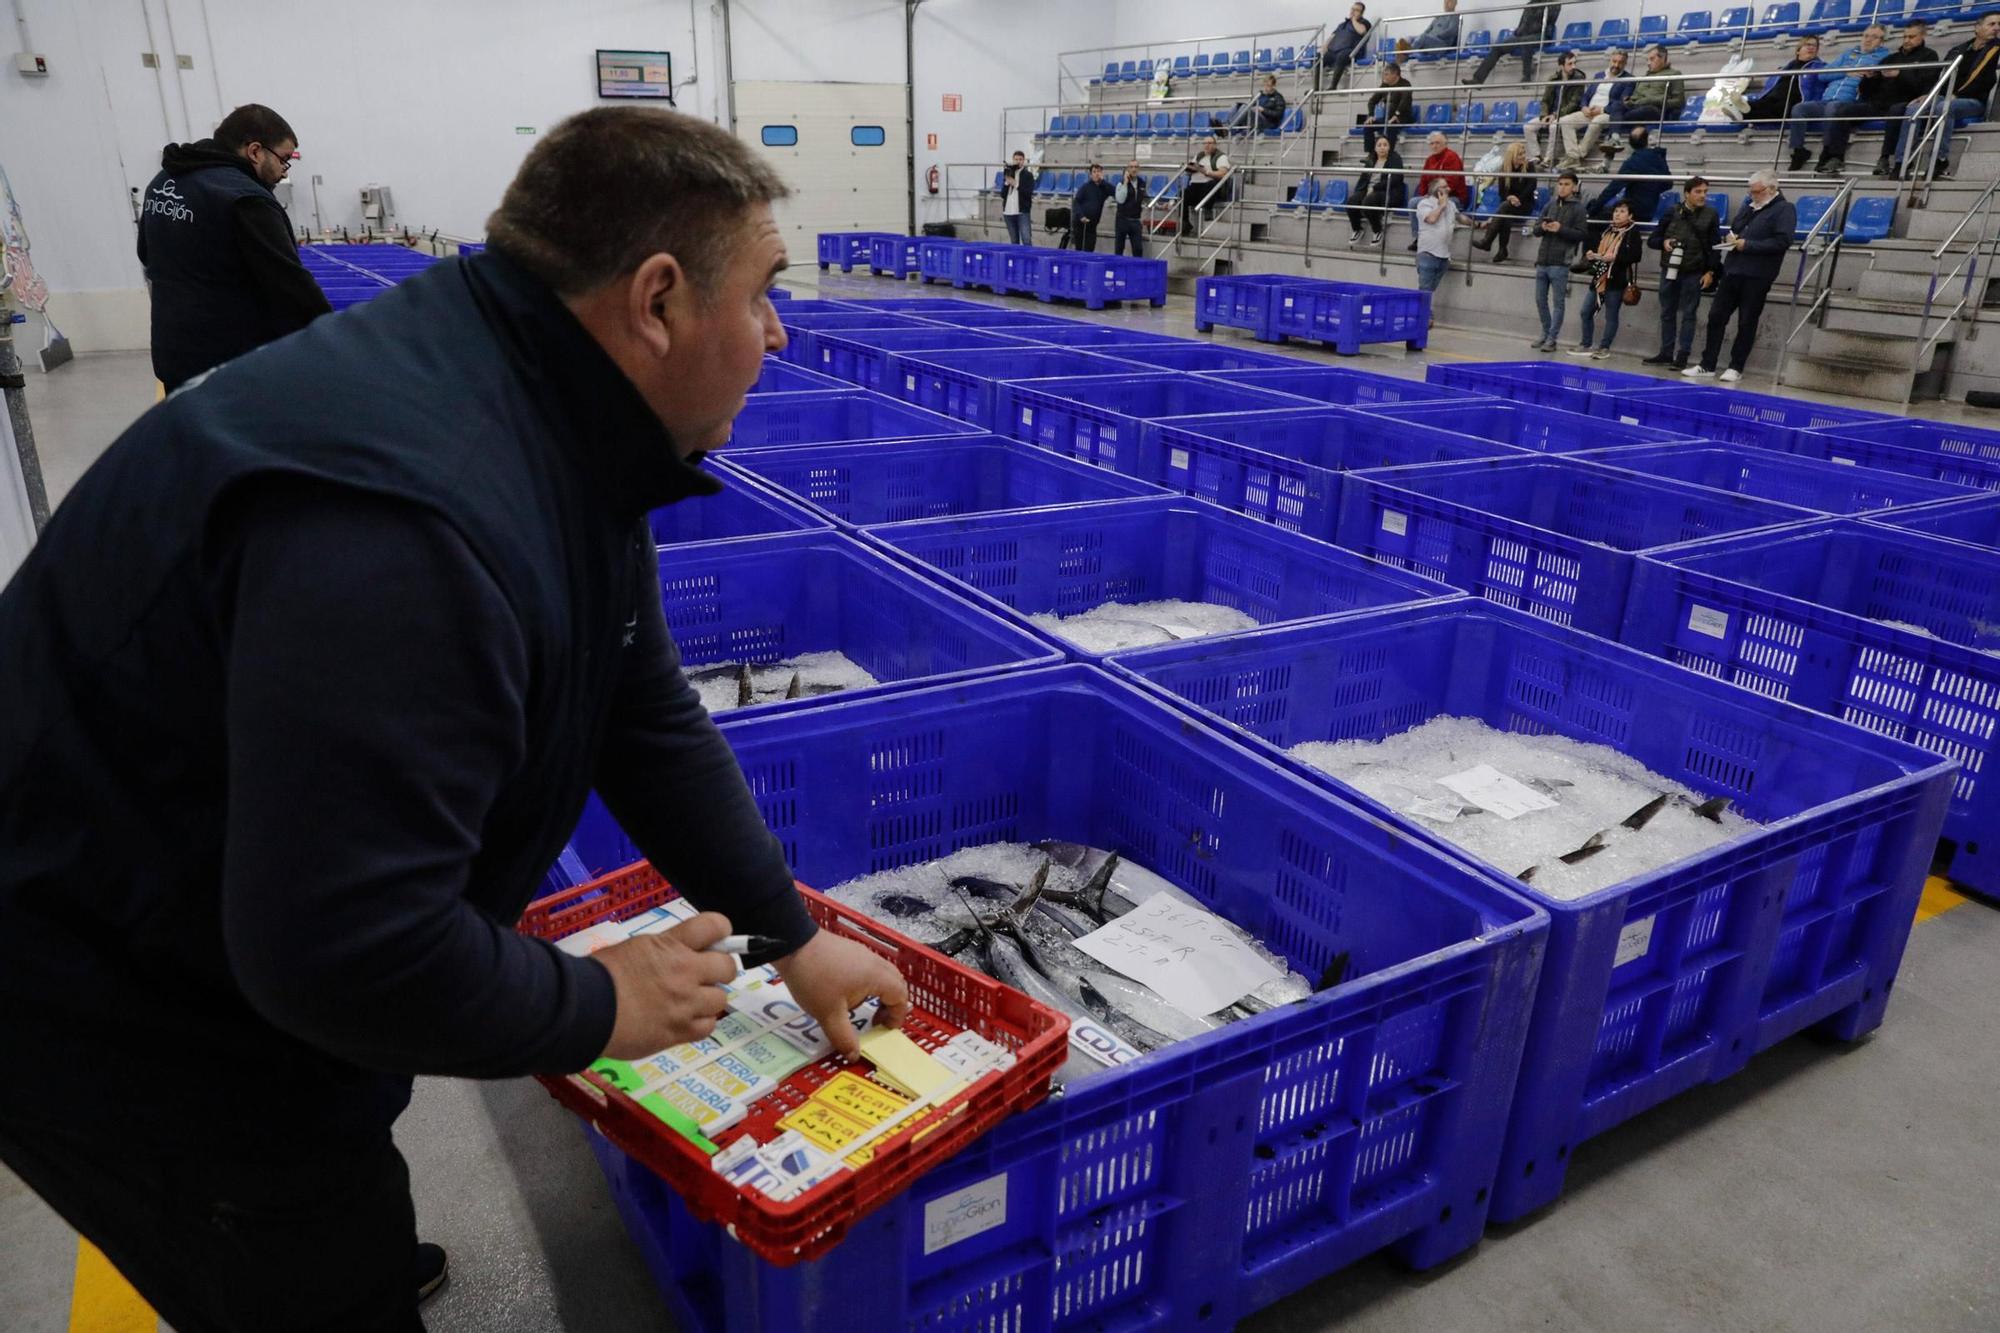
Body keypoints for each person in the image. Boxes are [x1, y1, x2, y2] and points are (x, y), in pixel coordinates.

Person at [0, 106, 912, 1331]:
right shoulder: (410, 526)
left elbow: (636, 703)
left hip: (224, 906)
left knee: (332, 1186)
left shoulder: (546, 389)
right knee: (286, 1237)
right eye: (760, 293)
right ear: (655, 299)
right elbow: (334, 949)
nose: (775, 330)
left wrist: (786, 929)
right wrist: (600, 1005)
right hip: (111, 989)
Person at [135, 103, 330, 393]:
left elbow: (146, 253)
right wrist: (334, 336)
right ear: (254, 151)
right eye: (283, 160)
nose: (283, 172)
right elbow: (290, 286)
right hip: (228, 364)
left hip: (173, 351)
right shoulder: (247, 200)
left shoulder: (163, 182)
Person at [1687, 169, 1797, 381]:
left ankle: (1736, 366)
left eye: (1756, 191)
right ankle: (1707, 363)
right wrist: (1733, 237)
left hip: (1757, 274)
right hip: (1733, 269)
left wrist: (1749, 245)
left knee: (1747, 320)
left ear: (1772, 189)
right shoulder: (1749, 206)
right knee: (1716, 316)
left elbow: (1783, 241)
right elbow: (1737, 227)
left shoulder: (1784, 209)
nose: (1752, 195)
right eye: (1751, 191)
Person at [1889, 10, 2000, 179]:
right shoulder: (1959, 50)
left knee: (1944, 107)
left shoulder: (1997, 51)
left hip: (1975, 101)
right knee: (1913, 108)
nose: (1996, 28)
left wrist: (1956, 95)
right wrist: (1930, 94)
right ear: (1977, 28)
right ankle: (1901, 162)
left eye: (1999, 25)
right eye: (1992, 24)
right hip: (1949, 96)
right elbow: (1943, 77)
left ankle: (1939, 159)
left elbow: (1986, 82)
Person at [1811, 20, 1931, 174]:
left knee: (1896, 110)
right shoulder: (1891, 58)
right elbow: (1868, 91)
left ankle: (1885, 158)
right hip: (1877, 103)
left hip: (1904, 101)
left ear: (1922, 36)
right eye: (1905, 36)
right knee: (1842, 111)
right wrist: (1869, 78)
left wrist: (1901, 74)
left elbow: (1923, 83)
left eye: (1912, 37)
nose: (1907, 40)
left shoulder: (1929, 55)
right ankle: (1836, 157)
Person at [1788, 24, 1890, 172]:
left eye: (1874, 37)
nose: (1868, 40)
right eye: (1866, 36)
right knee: (1799, 109)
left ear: (1882, 41)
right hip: (1826, 99)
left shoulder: (1884, 57)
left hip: (1850, 102)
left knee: (1833, 108)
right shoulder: (1849, 53)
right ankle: (1798, 151)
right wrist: (1846, 72)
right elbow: (1823, 75)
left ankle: (1827, 151)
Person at [1645, 175, 1721, 369]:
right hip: (1670, 268)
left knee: (1689, 314)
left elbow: (1714, 246)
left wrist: (1710, 272)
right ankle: (1666, 352)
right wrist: (1664, 242)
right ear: (1687, 193)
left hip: (1694, 270)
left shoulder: (1711, 214)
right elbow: (1653, 239)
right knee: (1667, 312)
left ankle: (1683, 355)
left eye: (1705, 191)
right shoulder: (1671, 212)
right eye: (1698, 191)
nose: (1703, 195)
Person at [1571, 200, 1644, 358]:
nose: (1617, 214)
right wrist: (1593, 256)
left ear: (1630, 216)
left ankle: (1604, 347)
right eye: (1616, 211)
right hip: (1600, 277)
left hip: (1617, 279)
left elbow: (1635, 256)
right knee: (1586, 312)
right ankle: (1586, 343)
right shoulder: (1607, 231)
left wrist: (1615, 258)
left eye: (1622, 211)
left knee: (1611, 315)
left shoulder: (1632, 232)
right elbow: (1601, 253)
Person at [1530, 168, 1588, 351]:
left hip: (1561, 262)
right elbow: (1536, 229)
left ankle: (1552, 337)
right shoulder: (1550, 204)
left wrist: (1560, 229)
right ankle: (1546, 332)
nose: (1562, 188)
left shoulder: (1579, 209)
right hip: (1543, 259)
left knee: (1558, 303)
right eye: (1560, 184)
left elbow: (1581, 234)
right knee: (1540, 300)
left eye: (1567, 184)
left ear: (1574, 187)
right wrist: (1544, 227)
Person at [1586, 126, 1668, 241]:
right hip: (1650, 210)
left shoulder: (1632, 162)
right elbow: (1668, 184)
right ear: (1646, 140)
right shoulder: (1658, 157)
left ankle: (1595, 255)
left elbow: (1612, 189)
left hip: (1636, 212)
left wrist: (1593, 210)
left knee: (1593, 219)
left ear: (1630, 143)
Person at [1558, 47, 1634, 166]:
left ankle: (1577, 155)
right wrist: (1584, 107)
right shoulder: (1599, 75)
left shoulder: (1629, 79)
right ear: (1610, 60)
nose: (1616, 65)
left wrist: (1602, 109)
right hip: (1589, 111)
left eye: (1620, 62)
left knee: (1597, 122)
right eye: (1614, 61)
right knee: (1564, 121)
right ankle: (1573, 156)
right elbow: (1586, 95)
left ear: (1625, 63)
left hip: (1607, 113)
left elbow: (1622, 103)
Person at [1468, 0, 1562, 86]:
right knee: (1498, 47)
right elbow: (1523, 22)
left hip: (1541, 35)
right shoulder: (1530, 4)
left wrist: (1537, 9)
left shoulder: (1554, 3)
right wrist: (1518, 32)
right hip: (1522, 35)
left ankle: (1527, 77)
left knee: (1525, 42)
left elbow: (1548, 20)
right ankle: (1477, 79)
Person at [1470, 139, 1536, 261]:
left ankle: (1487, 241)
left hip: (1525, 204)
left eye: (1523, 153)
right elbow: (1502, 192)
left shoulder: (1529, 166)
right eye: (1520, 154)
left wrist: (1517, 199)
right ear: (1512, 155)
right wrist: (1510, 197)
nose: (1523, 156)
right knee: (1505, 214)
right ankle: (1502, 250)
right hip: (1509, 204)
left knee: (1504, 209)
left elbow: (1531, 187)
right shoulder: (1504, 168)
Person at [1524, 50, 1588, 167]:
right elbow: (1545, 100)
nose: (1573, 66)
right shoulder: (1553, 79)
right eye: (1570, 64)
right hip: (1551, 114)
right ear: (1561, 66)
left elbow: (1573, 104)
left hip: (1567, 114)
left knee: (1554, 126)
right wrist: (1544, 116)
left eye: (1574, 63)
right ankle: (1536, 156)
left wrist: (1555, 115)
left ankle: (1549, 159)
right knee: (1528, 127)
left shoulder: (1579, 78)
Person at [1742, 36, 1827, 123]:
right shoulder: (1784, 68)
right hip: (1772, 98)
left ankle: (1740, 112)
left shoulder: (1820, 67)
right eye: (1808, 45)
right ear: (1798, 50)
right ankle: (1739, 108)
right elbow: (1768, 89)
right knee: (1755, 105)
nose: (1811, 47)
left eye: (1814, 46)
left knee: (1759, 110)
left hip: (1793, 102)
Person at [1409, 130, 1470, 250]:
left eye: (1437, 143)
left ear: (1445, 143)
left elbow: (1451, 184)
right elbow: (1423, 182)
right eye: (1432, 143)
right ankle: (1418, 237)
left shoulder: (1452, 157)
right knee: (1414, 202)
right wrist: (1425, 195)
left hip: (1453, 197)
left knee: (1424, 203)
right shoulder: (1429, 160)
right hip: (1433, 196)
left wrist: (1432, 197)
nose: (1434, 146)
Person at [1347, 134, 1408, 246]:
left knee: (1368, 202)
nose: (1382, 147)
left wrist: (1375, 188)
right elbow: (1363, 178)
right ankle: (1357, 229)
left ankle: (1377, 230)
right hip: (1369, 189)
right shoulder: (1371, 159)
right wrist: (1359, 192)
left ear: (1389, 147)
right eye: (1379, 145)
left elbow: (1396, 178)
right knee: (1351, 201)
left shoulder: (1395, 158)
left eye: (1385, 145)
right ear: (1375, 148)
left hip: (1387, 191)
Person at [1415, 178, 1461, 304]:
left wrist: (1477, 224)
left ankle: (1424, 315)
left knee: (1430, 289)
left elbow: (1460, 217)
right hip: (1428, 253)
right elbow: (1431, 219)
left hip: (1444, 255)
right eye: (1445, 187)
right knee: (1425, 290)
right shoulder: (1424, 204)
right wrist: (1441, 205)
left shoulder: (1451, 204)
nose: (1449, 189)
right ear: (1437, 190)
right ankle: (1426, 317)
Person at [1623, 45, 1688, 131]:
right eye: (1647, 60)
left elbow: (1679, 101)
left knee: (1645, 110)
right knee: (1617, 105)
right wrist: (1628, 101)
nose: (1648, 63)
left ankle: (1620, 122)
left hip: (1657, 109)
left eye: (1652, 59)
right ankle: (1615, 130)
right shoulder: (1643, 77)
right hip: (1636, 106)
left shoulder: (1674, 74)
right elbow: (1635, 97)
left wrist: (1652, 100)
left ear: (1663, 58)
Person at [1182, 136, 1233, 235]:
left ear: (1215, 144)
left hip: (1210, 186)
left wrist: (1208, 172)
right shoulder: (1199, 155)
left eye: (1210, 143)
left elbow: (1223, 173)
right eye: (1205, 143)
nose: (1207, 145)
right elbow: (1191, 167)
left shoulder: (1221, 157)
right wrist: (1191, 168)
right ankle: (1185, 222)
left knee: (1210, 184)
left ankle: (1208, 210)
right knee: (1182, 194)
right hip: (1195, 186)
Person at [1363, 61, 1417, 154]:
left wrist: (1397, 114)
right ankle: (1371, 154)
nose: (1384, 77)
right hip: (1387, 117)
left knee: (1391, 126)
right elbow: (1372, 101)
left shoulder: (1405, 84)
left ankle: (1389, 154)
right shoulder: (1385, 85)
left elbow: (1405, 101)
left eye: (1386, 74)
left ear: (1395, 74)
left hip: (1403, 117)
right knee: (1368, 126)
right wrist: (1371, 115)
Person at [1320, 2, 1374, 90]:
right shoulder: (1342, 24)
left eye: (1356, 10)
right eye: (1352, 9)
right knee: (1319, 59)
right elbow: (1332, 36)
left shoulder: (1364, 23)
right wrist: (1325, 46)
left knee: (1342, 56)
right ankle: (1316, 87)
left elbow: (1361, 31)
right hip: (1335, 51)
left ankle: (1333, 86)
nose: (1353, 11)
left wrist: (1354, 20)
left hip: (1351, 51)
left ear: (1361, 13)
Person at [1222, 74, 1289, 135]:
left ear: (1274, 85)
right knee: (1237, 106)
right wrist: (1253, 108)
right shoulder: (1260, 95)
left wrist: (1263, 110)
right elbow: (1251, 105)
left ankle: (1229, 128)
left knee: (1244, 107)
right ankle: (1228, 126)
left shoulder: (1278, 97)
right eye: (1265, 85)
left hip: (1268, 122)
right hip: (1256, 118)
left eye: (1268, 86)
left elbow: (1278, 114)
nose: (1266, 88)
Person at [1070, 163, 1115, 251]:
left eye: (1099, 171)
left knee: (1090, 248)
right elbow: (1076, 202)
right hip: (1080, 223)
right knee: (1079, 249)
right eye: (1094, 172)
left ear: (1102, 173)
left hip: (1092, 225)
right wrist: (1081, 216)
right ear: (1090, 174)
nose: (1097, 174)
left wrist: (1103, 182)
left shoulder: (1104, 187)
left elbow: (1114, 192)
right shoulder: (1085, 187)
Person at [1112, 161, 1148, 256]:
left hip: (1135, 220)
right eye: (1131, 167)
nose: (1134, 169)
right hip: (1122, 219)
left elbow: (1144, 199)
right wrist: (1125, 183)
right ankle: (1117, 269)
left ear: (1139, 169)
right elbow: (1120, 199)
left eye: (1136, 167)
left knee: (1138, 249)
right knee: (1119, 248)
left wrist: (1159, 206)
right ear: (1127, 169)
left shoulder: (1142, 183)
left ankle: (1137, 269)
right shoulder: (1121, 183)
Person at [1001, 150, 1036, 245]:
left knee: (1026, 238)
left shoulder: (1028, 175)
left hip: (1022, 211)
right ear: (1013, 160)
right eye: (1016, 159)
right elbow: (1002, 195)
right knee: (1014, 240)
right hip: (1008, 211)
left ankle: (1029, 258)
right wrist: (1006, 183)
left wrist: (1016, 184)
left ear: (1023, 160)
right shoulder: (1008, 173)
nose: (1018, 161)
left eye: (1020, 159)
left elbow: (1028, 193)